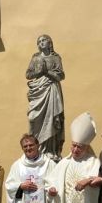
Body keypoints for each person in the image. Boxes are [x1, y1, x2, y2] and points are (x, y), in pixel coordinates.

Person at [26, 34, 65, 162]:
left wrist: (47, 71)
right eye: (39, 41)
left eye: (44, 40)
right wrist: (39, 71)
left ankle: (50, 151)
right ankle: (37, 149)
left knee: (51, 119)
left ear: (50, 43)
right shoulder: (35, 57)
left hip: (51, 90)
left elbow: (60, 76)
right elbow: (28, 74)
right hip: (38, 91)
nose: (41, 43)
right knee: (33, 119)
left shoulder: (55, 57)